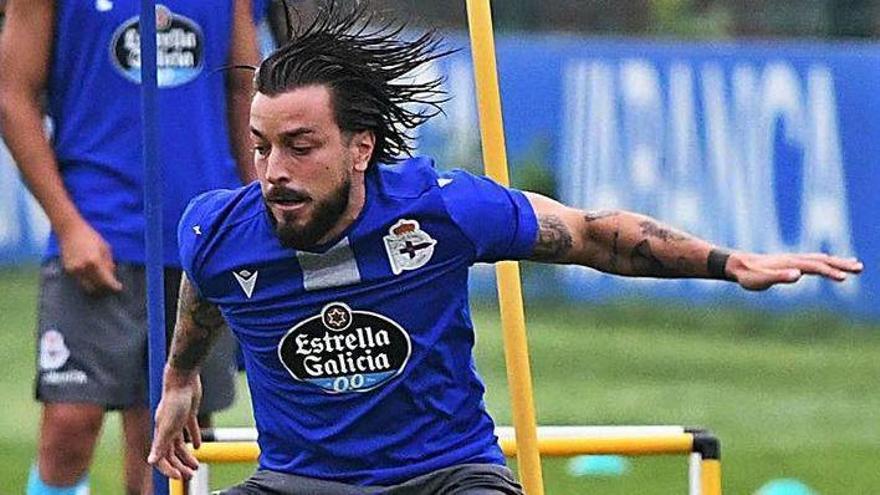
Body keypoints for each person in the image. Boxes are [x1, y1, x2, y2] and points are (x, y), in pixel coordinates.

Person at [148, 3, 864, 494]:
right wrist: (181, 376)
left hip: (445, 475)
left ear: (360, 148)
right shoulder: (218, 231)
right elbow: (202, 293)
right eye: (261, 146)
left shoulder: (443, 210)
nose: (274, 172)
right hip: (299, 481)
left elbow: (591, 235)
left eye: (300, 148)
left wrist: (727, 261)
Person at [0, 0, 260, 493]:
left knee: (165, 438)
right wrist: (68, 223)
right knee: (69, 425)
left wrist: (254, 211)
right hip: (97, 230)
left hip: (201, 236)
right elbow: (12, 94)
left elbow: (244, 85)